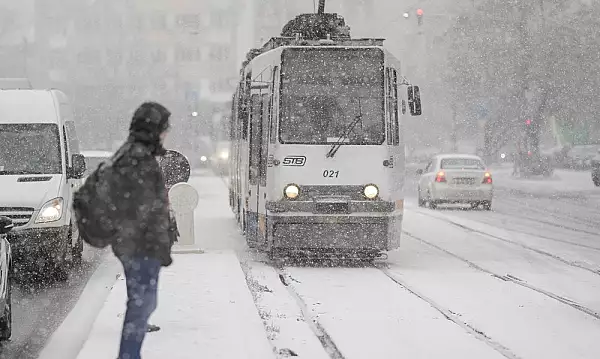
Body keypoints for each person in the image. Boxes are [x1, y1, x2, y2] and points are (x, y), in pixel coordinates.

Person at [111, 102, 174, 359]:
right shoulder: (136, 158)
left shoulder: (136, 154)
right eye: (164, 126)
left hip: (139, 243)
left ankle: (130, 354)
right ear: (152, 128)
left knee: (144, 303)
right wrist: (155, 239)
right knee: (141, 304)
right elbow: (139, 207)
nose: (167, 131)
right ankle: (129, 356)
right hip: (139, 244)